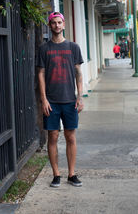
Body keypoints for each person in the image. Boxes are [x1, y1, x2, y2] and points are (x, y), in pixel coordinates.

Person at [37, 11, 84, 188]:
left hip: (69, 100)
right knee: (53, 136)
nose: (57, 25)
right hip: (51, 101)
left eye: (59, 22)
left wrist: (80, 97)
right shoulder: (44, 49)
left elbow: (79, 73)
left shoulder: (73, 47)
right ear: (50, 26)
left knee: (71, 136)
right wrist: (44, 100)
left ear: (64, 25)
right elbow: (40, 74)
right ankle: (56, 174)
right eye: (53, 23)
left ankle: (71, 174)